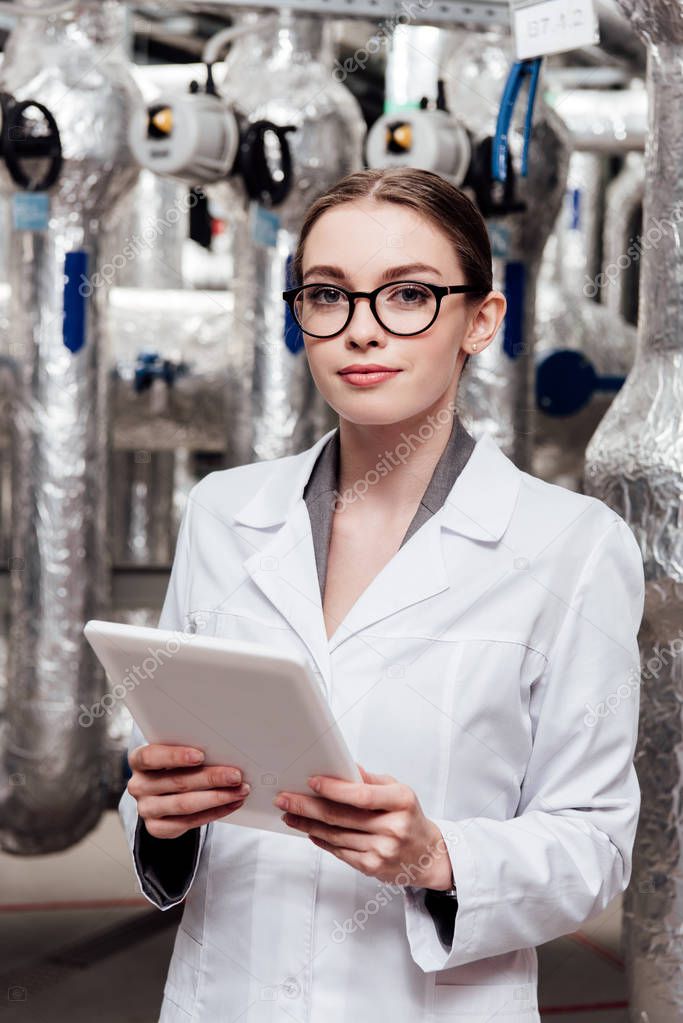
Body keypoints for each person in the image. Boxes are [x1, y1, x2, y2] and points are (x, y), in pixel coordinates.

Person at [119, 167, 645, 1023]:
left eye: (406, 295)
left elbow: (594, 842)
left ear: (480, 319)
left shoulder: (570, 547)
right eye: (328, 296)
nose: (361, 331)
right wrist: (158, 816)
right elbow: (174, 766)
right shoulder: (224, 514)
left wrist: (438, 855)